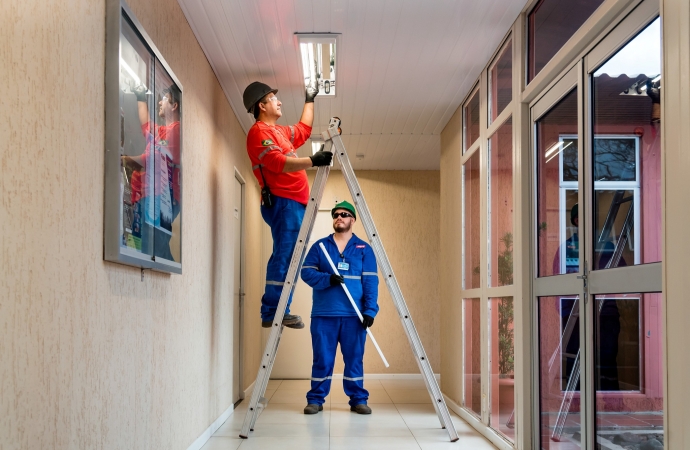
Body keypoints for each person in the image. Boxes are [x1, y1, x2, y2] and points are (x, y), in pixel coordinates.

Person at [243, 80, 333, 329]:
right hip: (284, 203)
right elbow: (277, 162)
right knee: (285, 256)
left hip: (295, 204)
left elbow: (303, 129)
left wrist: (310, 99)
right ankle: (272, 311)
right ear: (262, 105)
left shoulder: (279, 132)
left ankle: (280, 308)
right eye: (273, 98)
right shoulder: (259, 133)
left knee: (292, 256)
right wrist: (312, 161)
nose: (279, 101)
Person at [300, 201, 379, 415]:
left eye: (344, 214)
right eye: (336, 215)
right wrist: (328, 279)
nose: (339, 217)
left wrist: (370, 311)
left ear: (352, 219)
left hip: (354, 316)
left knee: (354, 359)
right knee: (323, 359)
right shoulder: (321, 247)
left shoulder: (364, 249)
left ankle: (358, 399)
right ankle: (315, 399)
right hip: (324, 315)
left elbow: (371, 282)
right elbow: (306, 272)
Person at [122, 84, 181, 261]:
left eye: (164, 99)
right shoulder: (163, 132)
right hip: (150, 195)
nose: (160, 103)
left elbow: (152, 159)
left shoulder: (176, 130)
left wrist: (125, 159)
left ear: (174, 105)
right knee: (152, 247)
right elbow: (146, 123)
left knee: (152, 250)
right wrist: (140, 96)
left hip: (160, 197)